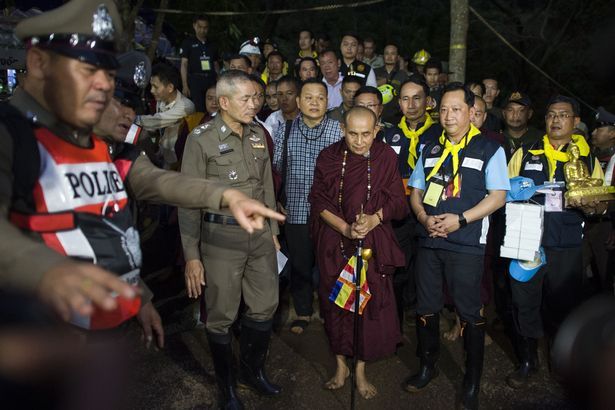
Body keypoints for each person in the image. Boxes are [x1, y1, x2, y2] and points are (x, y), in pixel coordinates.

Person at [1, 0, 283, 341]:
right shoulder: (13, 136)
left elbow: (141, 192)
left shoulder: (97, 141)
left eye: (107, 79)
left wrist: (223, 195)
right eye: (87, 73)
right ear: (39, 63)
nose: (105, 92)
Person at [178, 70, 283, 409]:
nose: (255, 104)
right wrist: (192, 256)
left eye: (257, 97)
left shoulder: (257, 133)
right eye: (247, 98)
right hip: (220, 238)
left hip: (260, 235)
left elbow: (267, 185)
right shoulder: (200, 139)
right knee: (222, 314)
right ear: (224, 102)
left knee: (266, 304)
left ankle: (252, 371)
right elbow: (187, 199)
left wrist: (274, 233)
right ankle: (227, 388)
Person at [405, 83, 509, 410]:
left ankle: (471, 380)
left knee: (468, 310)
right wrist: (423, 218)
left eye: (457, 109)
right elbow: (415, 190)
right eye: (444, 110)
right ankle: (427, 366)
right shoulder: (430, 147)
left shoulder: (489, 148)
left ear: (471, 113)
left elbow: (498, 196)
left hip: (466, 243)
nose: (448, 116)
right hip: (430, 239)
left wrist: (460, 220)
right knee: (426, 305)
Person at [309, 106, 409, 399]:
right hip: (335, 243)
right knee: (335, 305)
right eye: (352, 133)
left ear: (376, 131)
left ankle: (361, 370)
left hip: (371, 245)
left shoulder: (386, 157)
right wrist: (345, 228)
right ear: (342, 130)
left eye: (367, 134)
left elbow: (398, 204)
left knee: (364, 308)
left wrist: (374, 219)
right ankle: (341, 366)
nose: (359, 141)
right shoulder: (328, 157)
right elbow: (318, 200)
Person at [506, 95, 605, 389]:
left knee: (563, 304)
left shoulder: (586, 159)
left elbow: (598, 203)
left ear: (575, 122)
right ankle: (527, 361)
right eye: (551, 115)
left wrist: (591, 205)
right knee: (523, 301)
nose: (556, 120)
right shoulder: (525, 152)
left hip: (566, 243)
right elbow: (502, 192)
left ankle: (559, 360)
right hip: (527, 243)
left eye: (563, 115)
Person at [272, 78, 342, 335]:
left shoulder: (339, 131)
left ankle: (328, 311)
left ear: (329, 102)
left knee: (329, 267)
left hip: (332, 215)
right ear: (299, 102)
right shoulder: (285, 130)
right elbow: (276, 170)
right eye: (309, 98)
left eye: (320, 98)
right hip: (296, 211)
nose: (315, 103)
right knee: (300, 266)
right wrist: (277, 201)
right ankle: (302, 312)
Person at [383, 75, 442, 332]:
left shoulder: (440, 133)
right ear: (399, 103)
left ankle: (426, 323)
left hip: (432, 210)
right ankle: (396, 323)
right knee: (399, 267)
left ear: (428, 101)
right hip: (399, 211)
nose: (411, 104)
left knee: (428, 270)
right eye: (405, 99)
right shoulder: (390, 133)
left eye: (417, 98)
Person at [136, 62, 195, 169]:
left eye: (155, 87)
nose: (151, 90)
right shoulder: (161, 101)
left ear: (170, 87)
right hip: (162, 153)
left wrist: (132, 120)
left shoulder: (186, 106)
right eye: (151, 86)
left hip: (177, 161)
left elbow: (157, 121)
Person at [180, 15, 219, 112]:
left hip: (210, 79)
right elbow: (184, 64)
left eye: (205, 27)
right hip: (195, 80)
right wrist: (185, 85)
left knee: (213, 106)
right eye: (200, 27)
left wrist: (219, 80)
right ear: (194, 26)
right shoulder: (188, 43)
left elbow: (215, 64)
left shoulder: (212, 44)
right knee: (197, 108)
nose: (202, 30)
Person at [374, 43, 409, 124]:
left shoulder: (402, 75)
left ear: (398, 57)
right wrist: (377, 83)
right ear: (383, 56)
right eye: (387, 53)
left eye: (393, 53)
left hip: (396, 117)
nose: (389, 57)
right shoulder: (374, 72)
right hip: (377, 115)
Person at [502, 91, 542, 160]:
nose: (515, 115)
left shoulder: (540, 139)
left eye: (521, 110)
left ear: (529, 114)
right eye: (510, 110)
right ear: (504, 113)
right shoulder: (495, 139)